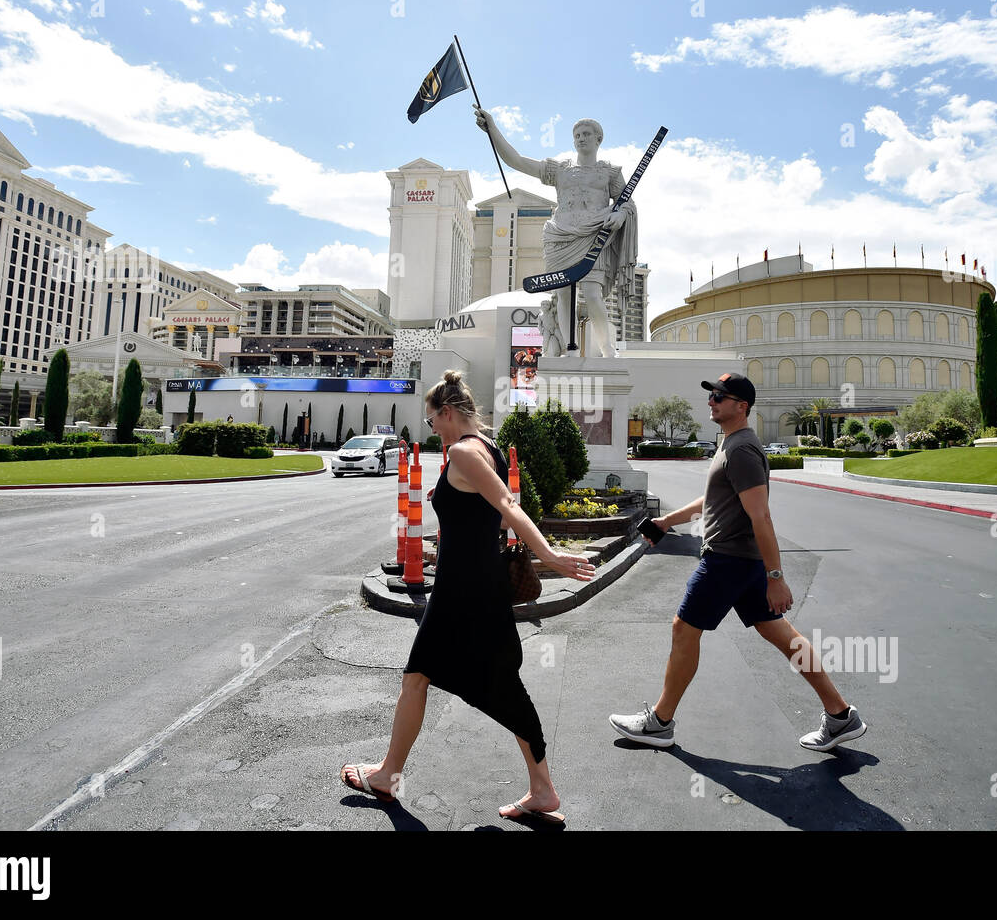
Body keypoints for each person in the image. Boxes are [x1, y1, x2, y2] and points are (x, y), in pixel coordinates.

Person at [341, 370, 595, 825]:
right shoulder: (488, 447)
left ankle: (386, 775)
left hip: (462, 593)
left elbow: (508, 507)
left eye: (433, 418)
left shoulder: (462, 451)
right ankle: (540, 789)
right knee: (488, 682)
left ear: (449, 412)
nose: (431, 427)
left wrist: (550, 555)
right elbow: (489, 516)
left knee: (424, 677)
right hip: (481, 586)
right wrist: (455, 532)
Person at [609, 373, 867, 752]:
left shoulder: (743, 450)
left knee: (684, 629)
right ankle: (841, 715)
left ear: (741, 406)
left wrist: (776, 577)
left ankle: (660, 723)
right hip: (742, 563)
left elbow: (760, 516)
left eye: (720, 396)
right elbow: (712, 501)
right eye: (711, 395)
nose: (711, 401)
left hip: (728, 561)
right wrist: (666, 521)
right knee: (781, 635)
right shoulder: (731, 445)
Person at [476, 109, 637, 358]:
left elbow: (626, 202)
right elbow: (516, 161)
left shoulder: (610, 172)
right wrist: (493, 129)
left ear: (598, 139)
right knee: (563, 295)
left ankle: (608, 350)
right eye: (577, 135)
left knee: (593, 295)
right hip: (560, 236)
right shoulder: (560, 169)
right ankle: (569, 350)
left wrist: (620, 215)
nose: (581, 138)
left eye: (586, 134)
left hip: (595, 235)